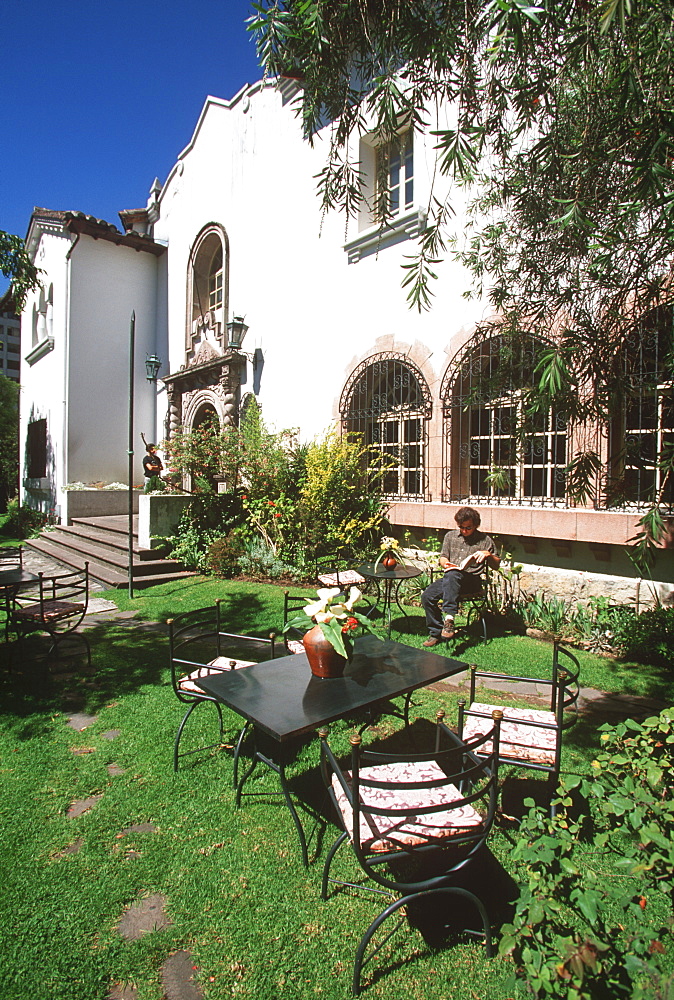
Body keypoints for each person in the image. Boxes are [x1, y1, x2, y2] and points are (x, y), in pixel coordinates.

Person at [421, 506, 500, 647]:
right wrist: (446, 564)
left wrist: (488, 555)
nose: (464, 531)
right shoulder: (450, 537)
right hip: (451, 579)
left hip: (471, 581)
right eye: (461, 527)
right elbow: (443, 557)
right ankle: (436, 632)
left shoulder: (485, 540)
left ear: (476, 525)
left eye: (468, 528)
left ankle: (449, 618)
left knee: (453, 575)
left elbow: (496, 565)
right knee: (427, 596)